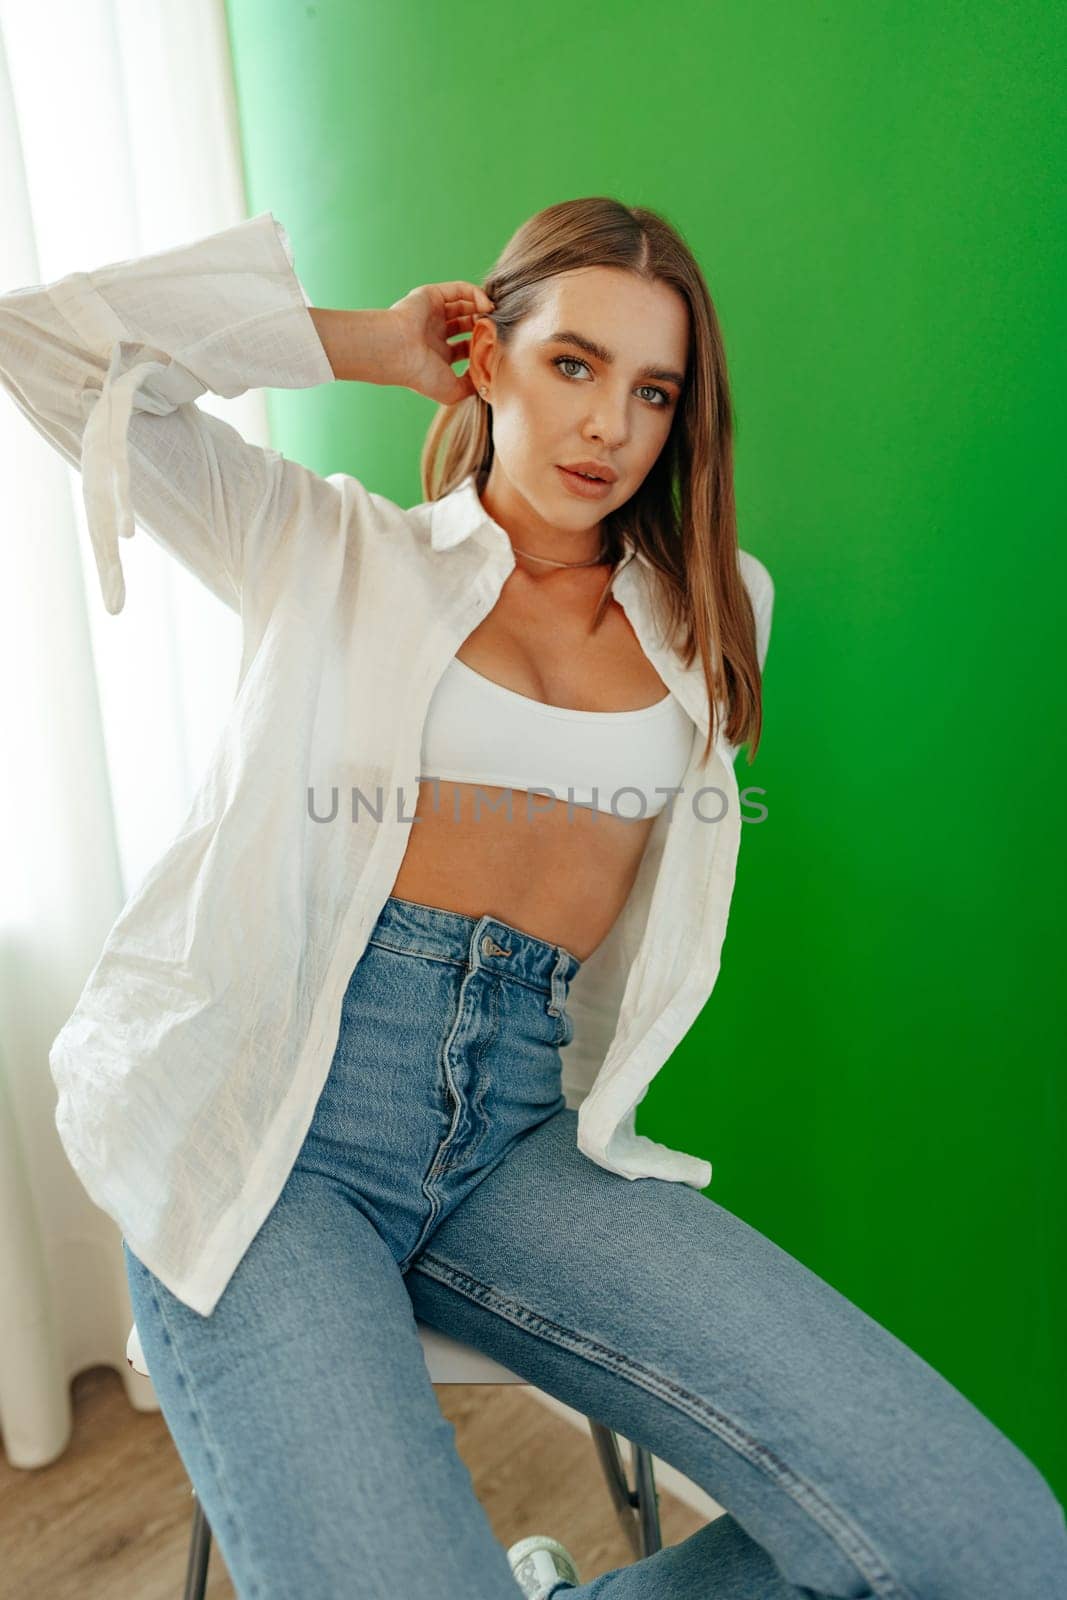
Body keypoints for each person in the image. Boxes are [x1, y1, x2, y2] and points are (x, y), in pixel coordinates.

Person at [2, 197, 1064, 1600]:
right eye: (572, 364)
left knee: (993, 1543)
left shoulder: (715, 608)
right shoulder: (330, 547)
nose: (609, 427)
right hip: (270, 1141)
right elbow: (48, 352)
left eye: (652, 391)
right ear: (485, 354)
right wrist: (361, 345)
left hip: (513, 1137)